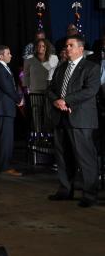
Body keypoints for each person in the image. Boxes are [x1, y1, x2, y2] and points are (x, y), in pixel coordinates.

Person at [47, 35, 101, 207]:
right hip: (60, 118)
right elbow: (51, 89)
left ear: (80, 49)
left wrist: (67, 100)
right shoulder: (61, 68)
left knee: (85, 158)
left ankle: (90, 195)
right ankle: (65, 190)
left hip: (81, 119)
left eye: (71, 45)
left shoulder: (91, 67)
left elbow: (90, 90)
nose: (67, 48)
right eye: (66, 45)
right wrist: (56, 100)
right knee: (63, 157)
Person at [0, 45, 24, 177]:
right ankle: (5, 167)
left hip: (5, 108)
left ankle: (1, 165)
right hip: (4, 108)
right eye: (8, 53)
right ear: (0, 55)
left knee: (4, 138)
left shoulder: (4, 67)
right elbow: (7, 88)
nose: (11, 55)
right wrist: (18, 99)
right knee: (6, 139)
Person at [23, 38, 59, 156]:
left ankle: (48, 137)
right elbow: (26, 76)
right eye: (38, 46)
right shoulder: (29, 59)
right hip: (34, 91)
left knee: (48, 114)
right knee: (36, 114)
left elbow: (57, 74)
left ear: (47, 47)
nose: (41, 48)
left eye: (43, 46)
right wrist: (26, 89)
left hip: (49, 92)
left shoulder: (54, 58)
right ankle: (37, 136)